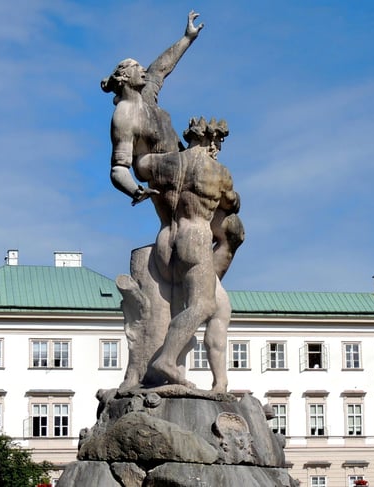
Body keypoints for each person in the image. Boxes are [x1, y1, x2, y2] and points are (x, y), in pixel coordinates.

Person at [133, 117, 241, 390]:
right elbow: (232, 203)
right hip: (195, 239)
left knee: (221, 307)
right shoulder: (218, 171)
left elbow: (139, 166)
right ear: (209, 139)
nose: (217, 146)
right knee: (203, 306)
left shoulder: (164, 163)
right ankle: (167, 360)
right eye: (217, 141)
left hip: (166, 240)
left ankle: (220, 383)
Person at [101, 10, 203, 205]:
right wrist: (137, 191)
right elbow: (119, 168)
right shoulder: (124, 116)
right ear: (124, 77)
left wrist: (188, 38)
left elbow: (161, 67)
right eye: (136, 67)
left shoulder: (145, 95)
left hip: (179, 159)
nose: (142, 70)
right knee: (201, 169)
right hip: (161, 170)